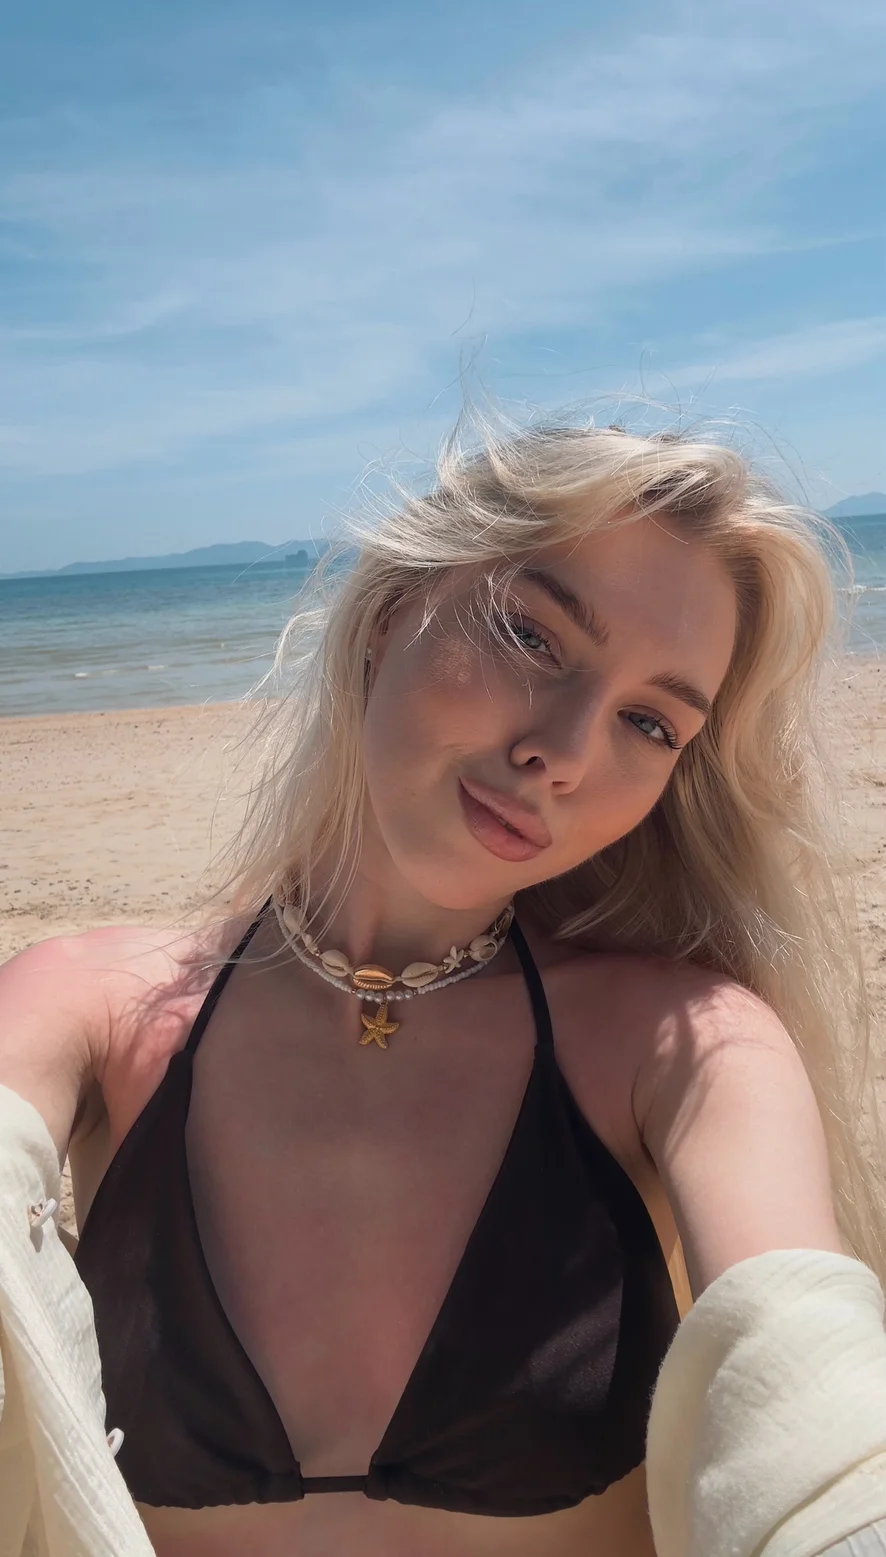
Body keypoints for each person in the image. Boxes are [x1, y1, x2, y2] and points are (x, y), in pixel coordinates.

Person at [2, 415, 886, 1557]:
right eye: (532, 634)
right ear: (391, 611)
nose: (566, 752)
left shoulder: (687, 1047)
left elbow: (814, 1418)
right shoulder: (92, 1007)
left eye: (648, 722)